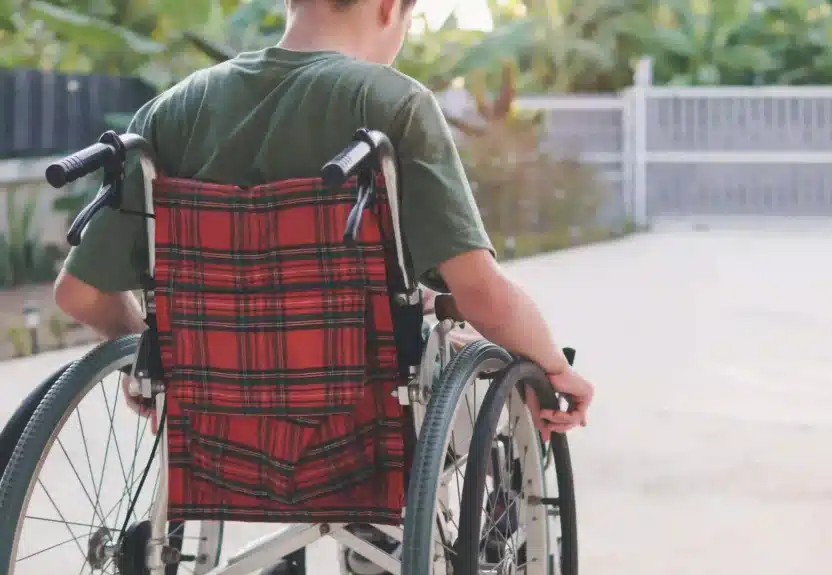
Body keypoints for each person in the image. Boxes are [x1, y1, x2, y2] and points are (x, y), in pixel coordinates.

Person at [52, 0, 593, 439]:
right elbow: (482, 292)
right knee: (458, 327)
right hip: (364, 413)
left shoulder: (170, 112)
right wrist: (553, 368)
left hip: (216, 408)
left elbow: (79, 293)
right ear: (388, 9)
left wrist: (153, 355)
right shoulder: (393, 102)